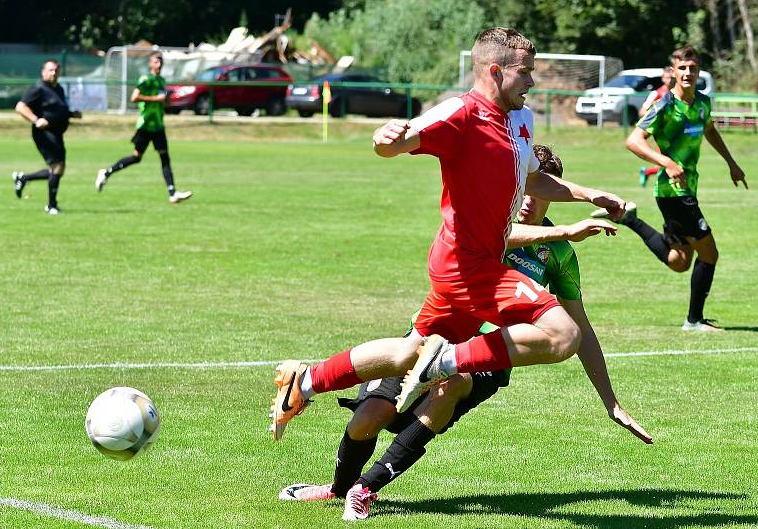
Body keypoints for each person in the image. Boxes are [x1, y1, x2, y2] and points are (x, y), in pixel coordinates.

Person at [270, 27, 629, 442]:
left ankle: (306, 381)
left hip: (473, 261)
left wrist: (590, 194)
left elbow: (534, 181)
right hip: (465, 264)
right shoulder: (461, 113)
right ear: (495, 70)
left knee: (407, 353)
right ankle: (445, 361)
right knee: (563, 334)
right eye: (525, 72)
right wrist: (382, 139)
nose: (532, 82)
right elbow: (397, 142)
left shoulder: (522, 120)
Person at [278, 146, 652, 521]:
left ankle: (365, 489)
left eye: (537, 196)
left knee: (451, 387)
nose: (526, 203)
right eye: (523, 192)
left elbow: (580, 328)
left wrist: (611, 402)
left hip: (492, 354)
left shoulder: (559, 254)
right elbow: (499, 236)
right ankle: (337, 486)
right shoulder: (489, 220)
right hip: (438, 330)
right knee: (370, 417)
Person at [593, 45, 747, 332]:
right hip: (674, 192)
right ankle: (694, 321)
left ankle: (630, 218)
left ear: (698, 71)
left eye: (693, 68)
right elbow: (634, 141)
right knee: (710, 253)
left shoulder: (702, 102)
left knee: (679, 261)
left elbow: (710, 129)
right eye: (683, 68)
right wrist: (666, 162)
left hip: (686, 189)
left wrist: (731, 163)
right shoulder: (664, 105)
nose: (688, 73)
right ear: (673, 71)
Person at [95, 54, 192, 204]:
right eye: (156, 61)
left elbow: (162, 104)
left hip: (158, 125)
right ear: (150, 64)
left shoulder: (161, 81)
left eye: (161, 61)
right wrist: (156, 99)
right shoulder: (145, 80)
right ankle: (106, 173)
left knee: (165, 158)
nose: (159, 64)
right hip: (145, 125)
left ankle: (172, 193)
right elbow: (134, 97)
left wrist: (166, 100)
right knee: (136, 157)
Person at [12, 59, 82, 215]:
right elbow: (20, 106)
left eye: (56, 70)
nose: (54, 73)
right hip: (44, 133)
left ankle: (23, 178)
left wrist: (71, 114)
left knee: (58, 169)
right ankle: (51, 205)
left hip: (57, 133)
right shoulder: (38, 89)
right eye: (50, 70)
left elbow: (57, 110)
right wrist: (36, 120)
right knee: (58, 166)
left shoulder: (59, 89)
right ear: (43, 72)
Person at [637, 66, 675, 187]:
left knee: (672, 161)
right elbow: (642, 112)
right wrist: (655, 112)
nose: (670, 80)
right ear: (663, 78)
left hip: (675, 132)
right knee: (667, 161)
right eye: (668, 77)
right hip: (661, 134)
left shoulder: (677, 94)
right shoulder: (656, 93)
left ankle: (648, 172)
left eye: (672, 78)